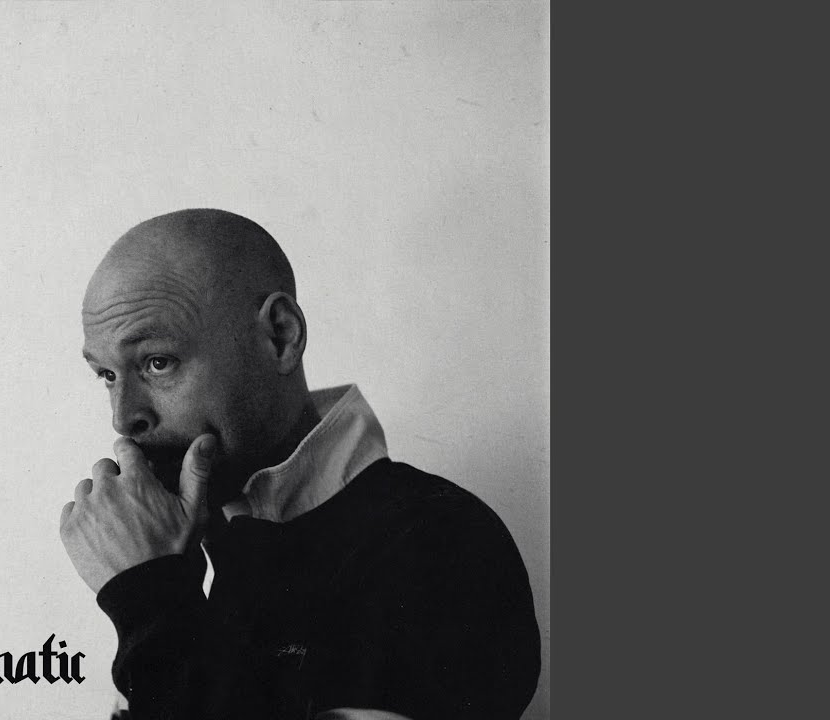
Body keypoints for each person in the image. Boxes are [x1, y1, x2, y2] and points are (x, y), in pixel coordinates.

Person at [59, 209, 540, 720]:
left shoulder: (440, 541)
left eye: (158, 362)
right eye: (107, 375)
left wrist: (149, 600)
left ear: (280, 336)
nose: (123, 417)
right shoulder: (209, 554)